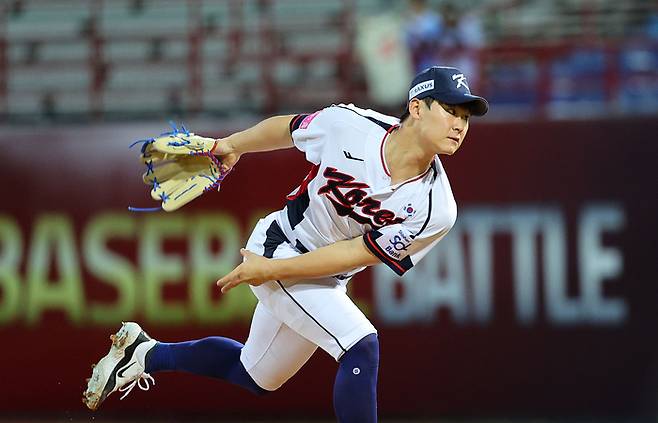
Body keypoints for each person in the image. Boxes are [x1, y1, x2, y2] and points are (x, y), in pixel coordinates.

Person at [82, 66, 489, 423]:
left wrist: (271, 273)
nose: (460, 125)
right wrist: (231, 145)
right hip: (281, 243)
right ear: (416, 108)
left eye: (466, 117)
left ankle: (146, 353)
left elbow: (357, 253)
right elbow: (288, 128)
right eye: (450, 110)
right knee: (361, 347)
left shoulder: (437, 208)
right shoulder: (351, 125)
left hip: (312, 273)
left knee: (256, 375)